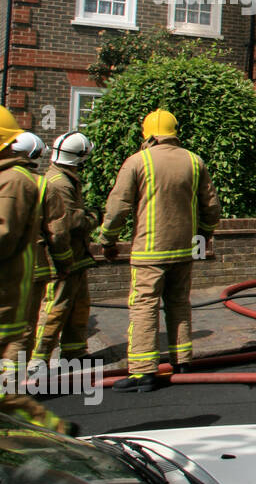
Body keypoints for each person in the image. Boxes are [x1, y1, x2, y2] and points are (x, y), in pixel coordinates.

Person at [95, 110, 220, 392]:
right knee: (178, 303)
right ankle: (182, 361)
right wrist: (204, 234)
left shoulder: (138, 162)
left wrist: (107, 239)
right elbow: (211, 206)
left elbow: (118, 207)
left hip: (149, 252)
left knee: (144, 308)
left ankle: (143, 372)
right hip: (184, 250)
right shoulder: (194, 160)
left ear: (149, 134)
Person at [0, 113, 70, 380]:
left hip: (23, 272)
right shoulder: (40, 185)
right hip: (27, 273)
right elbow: (58, 233)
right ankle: (13, 391)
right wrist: (64, 264)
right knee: (21, 332)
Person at [32, 132, 97, 365]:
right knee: (55, 309)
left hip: (76, 257)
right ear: (80, 158)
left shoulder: (65, 178)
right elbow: (70, 222)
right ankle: (38, 358)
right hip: (64, 259)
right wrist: (93, 217)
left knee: (78, 306)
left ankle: (75, 353)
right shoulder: (59, 183)